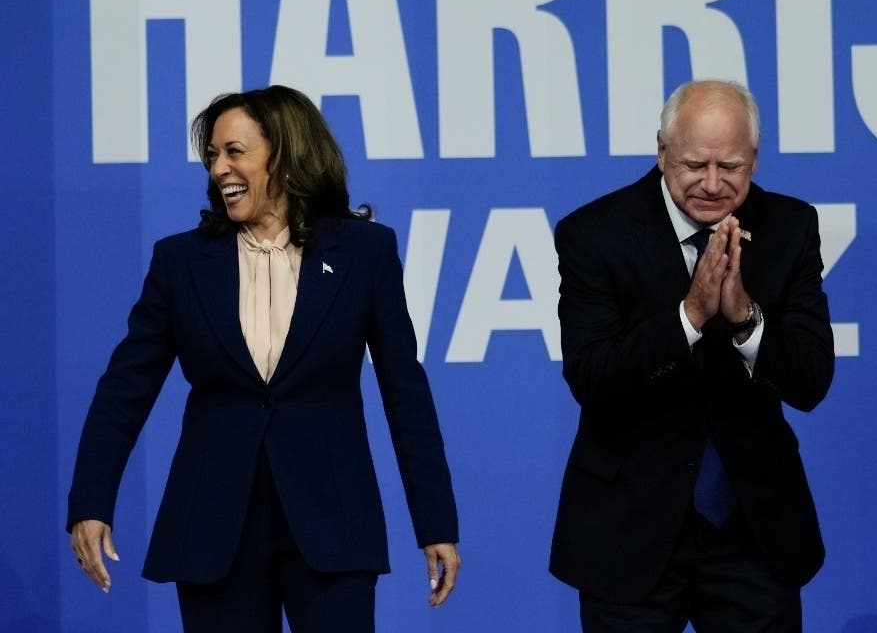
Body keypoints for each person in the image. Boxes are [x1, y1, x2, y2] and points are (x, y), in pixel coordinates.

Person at [67, 85, 460, 632]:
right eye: (211, 156)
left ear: (286, 153)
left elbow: (405, 392)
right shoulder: (181, 262)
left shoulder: (364, 253)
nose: (218, 169)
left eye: (234, 152)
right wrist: (90, 501)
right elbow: (124, 390)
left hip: (332, 524)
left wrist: (435, 522)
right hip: (213, 529)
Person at [549, 79, 834, 631]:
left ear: (754, 156)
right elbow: (592, 376)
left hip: (753, 530)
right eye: (693, 165)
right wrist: (690, 317)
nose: (711, 184)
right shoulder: (595, 234)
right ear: (661, 152)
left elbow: (810, 380)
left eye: (730, 166)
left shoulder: (791, 227)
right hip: (629, 529)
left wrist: (745, 319)